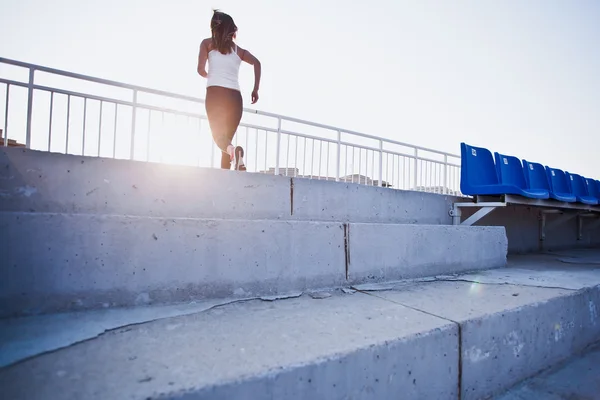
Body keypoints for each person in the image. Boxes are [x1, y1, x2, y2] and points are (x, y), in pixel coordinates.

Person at [197, 10, 262, 171]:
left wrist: (210, 76)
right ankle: (229, 170)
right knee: (227, 140)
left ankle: (233, 152)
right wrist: (255, 90)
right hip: (235, 97)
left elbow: (200, 70)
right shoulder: (238, 51)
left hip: (215, 93)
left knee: (220, 138)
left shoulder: (207, 43)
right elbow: (257, 63)